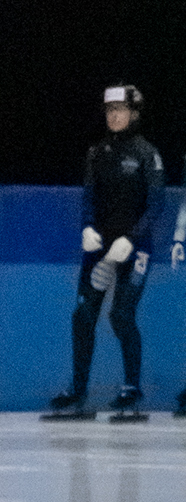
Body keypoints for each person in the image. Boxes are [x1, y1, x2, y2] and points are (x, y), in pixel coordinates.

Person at [47, 84, 165, 421]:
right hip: (100, 245)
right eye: (109, 110)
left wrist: (133, 237)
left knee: (121, 315)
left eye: (120, 110)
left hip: (134, 247)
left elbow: (155, 204)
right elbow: (89, 195)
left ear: (134, 113)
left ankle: (131, 387)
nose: (113, 115)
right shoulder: (97, 152)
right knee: (82, 316)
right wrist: (86, 226)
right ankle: (78, 391)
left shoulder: (147, 154)